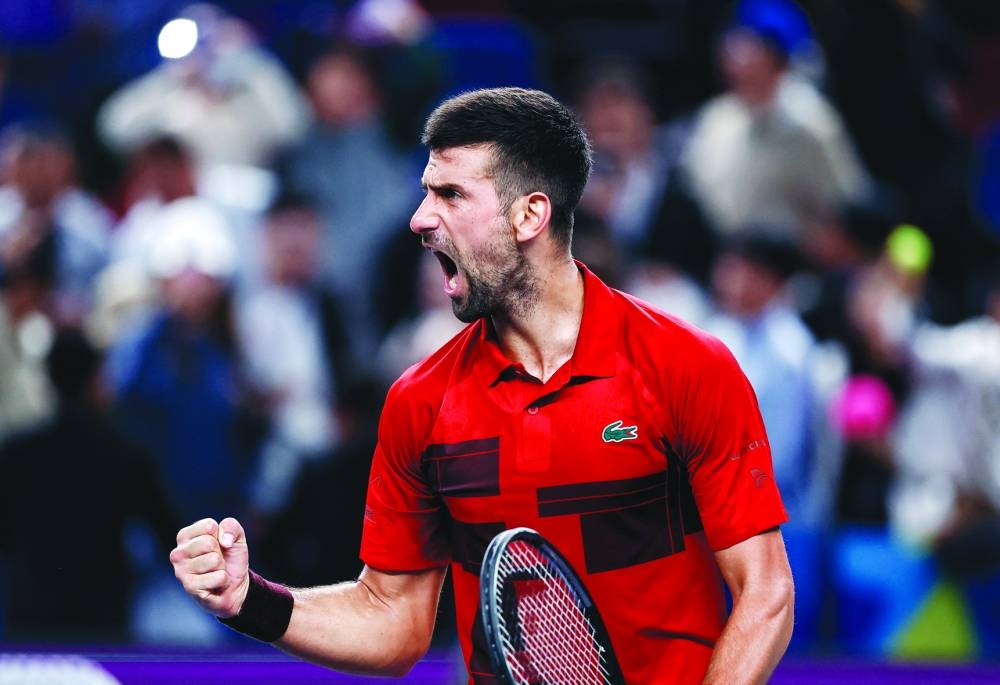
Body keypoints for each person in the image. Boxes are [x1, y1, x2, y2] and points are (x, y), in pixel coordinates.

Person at [170, 87, 794, 684]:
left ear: (529, 215)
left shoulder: (685, 365)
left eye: (450, 195)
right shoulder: (420, 401)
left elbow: (765, 592)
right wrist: (250, 601)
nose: (419, 220)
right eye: (425, 193)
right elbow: (394, 620)